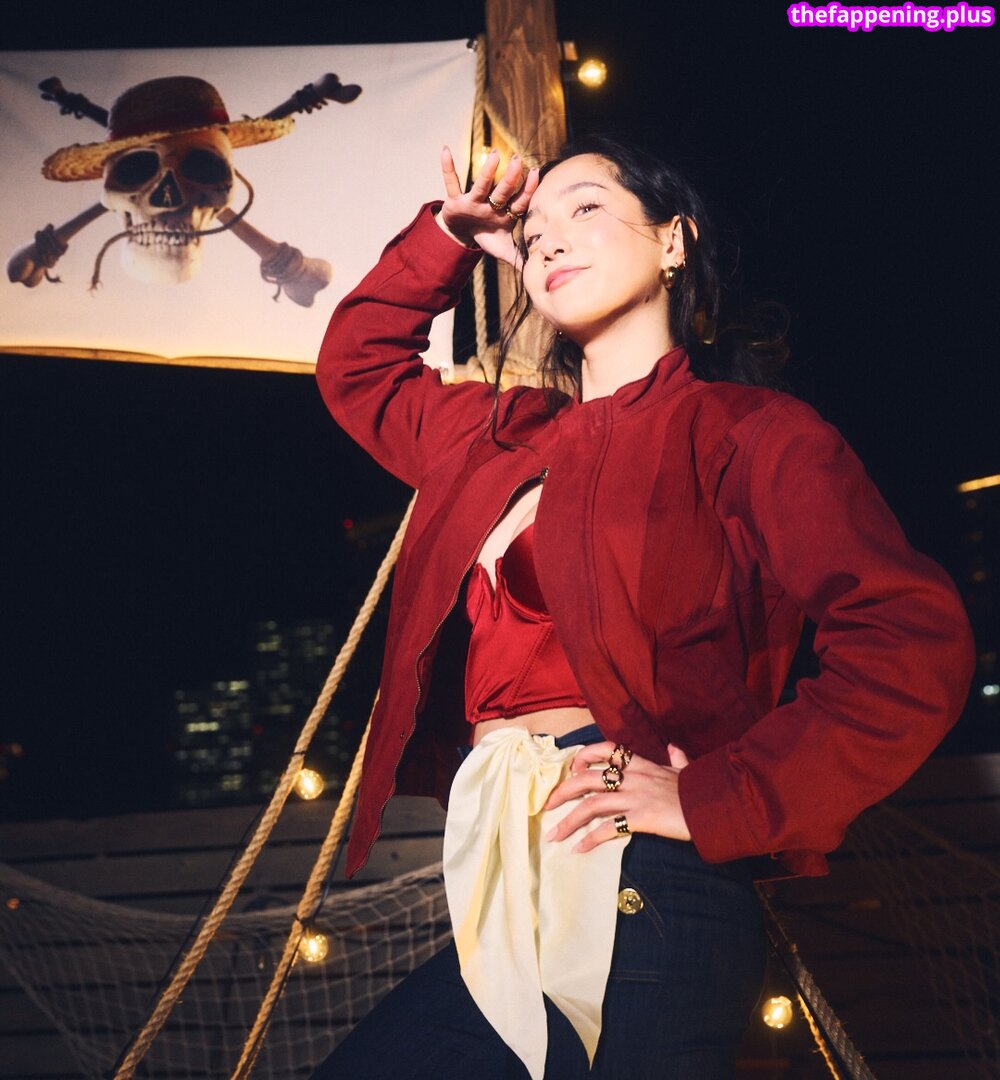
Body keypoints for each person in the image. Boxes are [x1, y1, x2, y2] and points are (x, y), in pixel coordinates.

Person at [310, 136, 973, 1079]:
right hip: (506, 878)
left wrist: (720, 796)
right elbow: (358, 369)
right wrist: (447, 239)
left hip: (650, 882)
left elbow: (909, 641)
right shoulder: (493, 437)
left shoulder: (749, 432)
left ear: (673, 240)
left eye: (586, 208)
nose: (549, 240)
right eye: (534, 231)